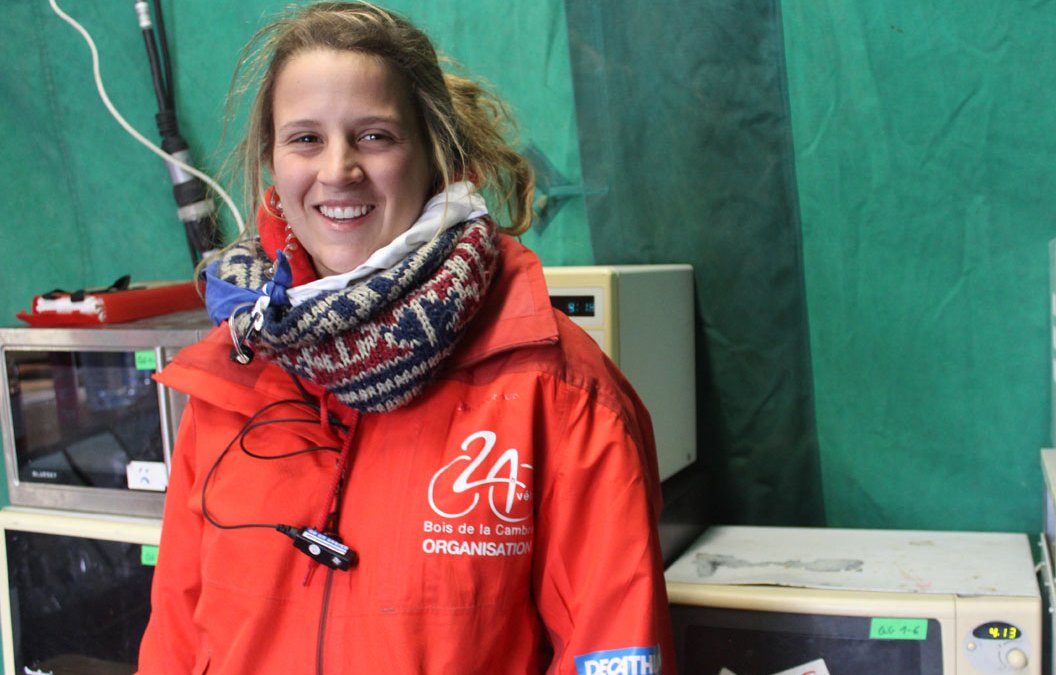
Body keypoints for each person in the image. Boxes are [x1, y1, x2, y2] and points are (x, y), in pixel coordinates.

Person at [135, 2, 675, 673]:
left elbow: (612, 646)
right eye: (305, 138)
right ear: (273, 160)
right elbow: (175, 642)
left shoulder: (555, 391)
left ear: (433, 154)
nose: (338, 170)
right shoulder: (231, 374)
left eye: (374, 136)